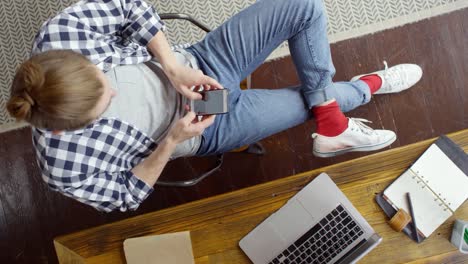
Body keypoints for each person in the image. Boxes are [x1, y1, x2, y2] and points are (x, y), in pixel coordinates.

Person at [6, 0, 422, 212]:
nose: (113, 92)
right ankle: (366, 88)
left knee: (304, 5)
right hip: (204, 130)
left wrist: (170, 65)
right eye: (103, 105)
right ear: (63, 130)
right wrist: (171, 141)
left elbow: (130, 7)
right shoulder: (63, 169)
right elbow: (125, 195)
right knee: (302, 103)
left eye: (103, 81)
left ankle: (331, 122)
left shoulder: (60, 33)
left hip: (200, 63)